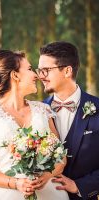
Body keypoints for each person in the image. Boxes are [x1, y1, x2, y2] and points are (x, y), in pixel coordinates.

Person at [0, 50, 69, 200]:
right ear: (15, 75)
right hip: (10, 194)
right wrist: (15, 183)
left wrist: (46, 175)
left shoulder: (43, 110)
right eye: (30, 69)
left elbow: (61, 157)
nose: (36, 75)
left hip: (53, 193)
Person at [36, 41, 99, 200]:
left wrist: (80, 186)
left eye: (46, 70)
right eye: (39, 70)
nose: (40, 76)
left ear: (67, 71)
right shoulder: (36, 111)